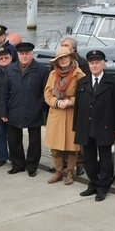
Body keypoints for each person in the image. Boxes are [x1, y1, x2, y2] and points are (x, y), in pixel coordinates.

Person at [73, 50, 115, 202]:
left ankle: (103, 187)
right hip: (86, 126)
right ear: (88, 65)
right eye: (92, 63)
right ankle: (93, 183)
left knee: (105, 159)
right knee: (88, 159)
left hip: (105, 126)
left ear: (103, 64)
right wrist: (76, 127)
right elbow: (78, 107)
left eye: (97, 63)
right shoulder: (82, 82)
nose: (94, 66)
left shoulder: (113, 83)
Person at [0, 42, 49, 177]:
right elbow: (4, 92)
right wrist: (3, 111)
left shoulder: (41, 70)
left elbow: (46, 92)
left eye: (27, 54)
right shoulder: (10, 69)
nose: (24, 56)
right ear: (18, 55)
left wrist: (40, 107)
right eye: (22, 54)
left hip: (34, 110)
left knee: (34, 142)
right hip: (13, 109)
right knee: (14, 140)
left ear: (32, 54)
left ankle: (32, 166)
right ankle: (18, 165)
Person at [43, 46, 84, 186]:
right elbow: (47, 94)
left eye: (65, 57)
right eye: (60, 58)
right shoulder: (52, 75)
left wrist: (71, 101)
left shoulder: (79, 74)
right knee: (55, 146)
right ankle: (58, 171)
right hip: (56, 113)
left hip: (72, 114)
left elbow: (84, 95)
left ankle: (70, 172)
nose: (63, 60)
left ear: (71, 58)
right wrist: (57, 102)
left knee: (72, 146)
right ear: (57, 61)